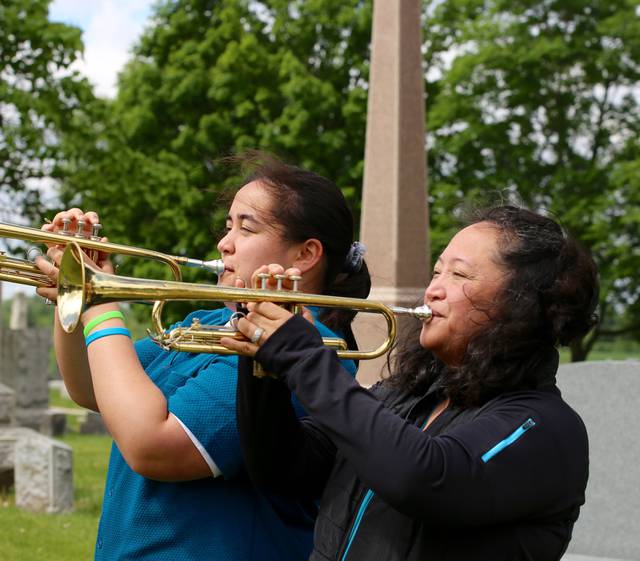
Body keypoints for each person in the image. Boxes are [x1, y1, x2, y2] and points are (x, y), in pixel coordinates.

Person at [34, 155, 370, 560]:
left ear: (305, 254)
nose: (224, 243)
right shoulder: (210, 321)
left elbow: (151, 445)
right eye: (229, 226)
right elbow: (91, 387)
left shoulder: (305, 354)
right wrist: (73, 291)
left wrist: (98, 304)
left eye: (247, 227)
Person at [223, 206, 599, 561]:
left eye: (460, 275)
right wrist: (264, 370)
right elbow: (284, 468)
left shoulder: (546, 427)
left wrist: (304, 358)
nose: (432, 290)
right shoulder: (403, 396)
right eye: (437, 273)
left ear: (522, 304)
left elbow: (425, 479)